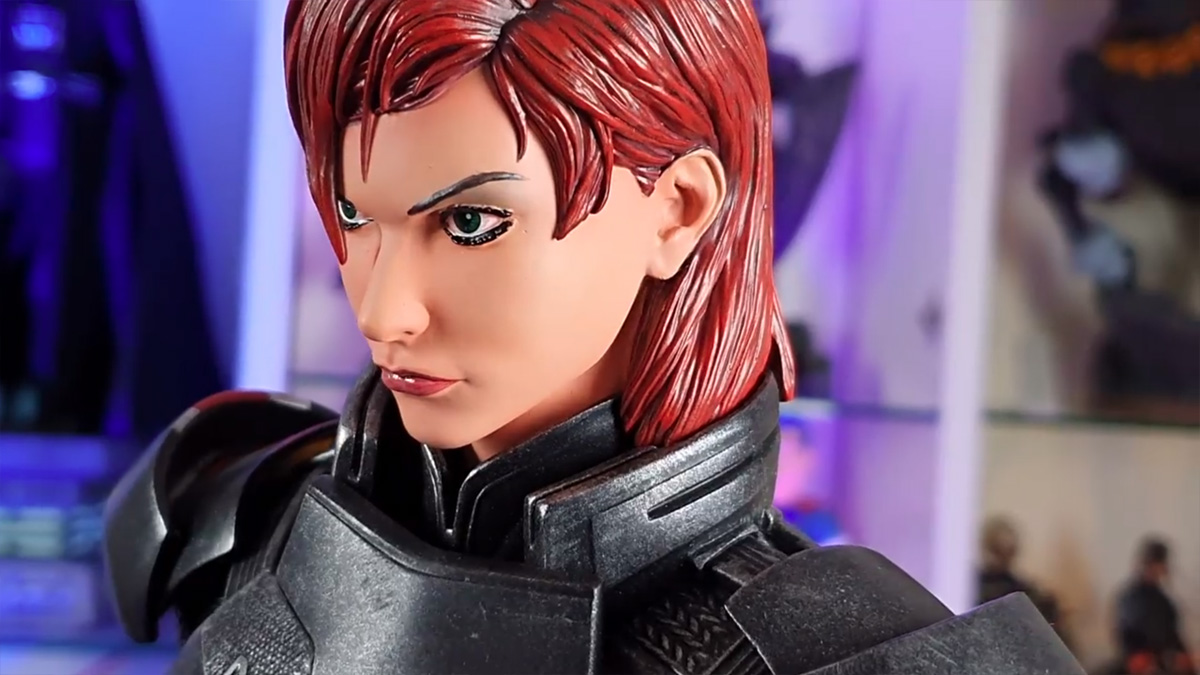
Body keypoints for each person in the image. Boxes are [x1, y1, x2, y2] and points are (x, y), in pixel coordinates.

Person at [101, 1, 1085, 673]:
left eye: (471, 222)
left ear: (678, 209)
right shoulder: (249, 502)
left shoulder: (840, 649)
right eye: (357, 216)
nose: (382, 311)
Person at [1115, 538, 1196, 674]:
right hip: (1145, 663)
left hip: (1166, 661)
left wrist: (1183, 657)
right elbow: (1136, 634)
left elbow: (1172, 634)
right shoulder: (1131, 598)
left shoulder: (1162, 599)